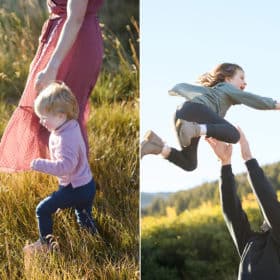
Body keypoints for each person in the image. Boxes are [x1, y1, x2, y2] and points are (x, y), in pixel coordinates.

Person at [0, 0, 103, 172]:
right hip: (60, 39)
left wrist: (52, 67)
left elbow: (75, 18)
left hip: (74, 43)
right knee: (44, 110)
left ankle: (77, 185)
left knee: (62, 114)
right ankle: (60, 174)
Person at [141, 63, 280, 171]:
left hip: (182, 115)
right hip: (194, 112)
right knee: (234, 135)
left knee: (190, 163)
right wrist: (275, 105)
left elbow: (215, 127)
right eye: (241, 78)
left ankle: (156, 146)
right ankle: (194, 129)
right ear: (228, 78)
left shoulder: (217, 97)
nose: (245, 83)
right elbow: (250, 98)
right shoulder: (225, 87)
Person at [23, 82, 97, 254]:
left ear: (61, 115)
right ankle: (96, 244)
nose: (41, 121)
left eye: (44, 117)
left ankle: (45, 244)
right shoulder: (69, 126)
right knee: (84, 218)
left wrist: (40, 163)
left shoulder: (66, 139)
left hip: (75, 188)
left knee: (43, 209)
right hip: (86, 184)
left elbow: (65, 167)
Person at [207, 128, 280, 279]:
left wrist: (248, 159)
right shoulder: (250, 243)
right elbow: (231, 212)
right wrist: (225, 163)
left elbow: (269, 204)